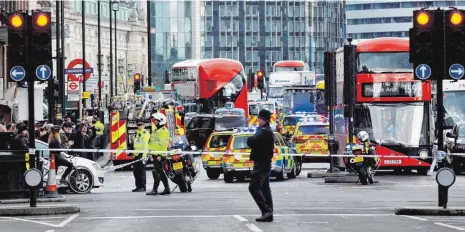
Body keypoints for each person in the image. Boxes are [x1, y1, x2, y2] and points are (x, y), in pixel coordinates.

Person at [247, 109, 275, 222]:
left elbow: (251, 141)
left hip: (261, 163)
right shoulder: (265, 130)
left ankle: (266, 210)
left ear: (264, 119)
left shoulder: (264, 131)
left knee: (253, 187)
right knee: (264, 188)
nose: (257, 119)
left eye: (259, 118)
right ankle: (269, 214)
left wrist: (250, 139)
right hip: (264, 162)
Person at [146, 113, 171, 195]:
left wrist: (159, 155)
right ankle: (156, 189)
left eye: (156, 120)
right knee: (156, 171)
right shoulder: (157, 130)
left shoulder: (163, 131)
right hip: (155, 154)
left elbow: (163, 144)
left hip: (159, 155)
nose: (154, 121)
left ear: (161, 121)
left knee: (159, 172)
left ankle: (165, 189)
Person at [133, 118, 150, 192]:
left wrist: (144, 157)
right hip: (137, 154)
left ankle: (142, 187)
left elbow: (146, 145)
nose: (139, 126)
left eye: (141, 125)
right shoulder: (137, 133)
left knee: (141, 172)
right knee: (136, 172)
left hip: (142, 155)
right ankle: (138, 186)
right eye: (138, 125)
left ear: (144, 125)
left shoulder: (145, 133)